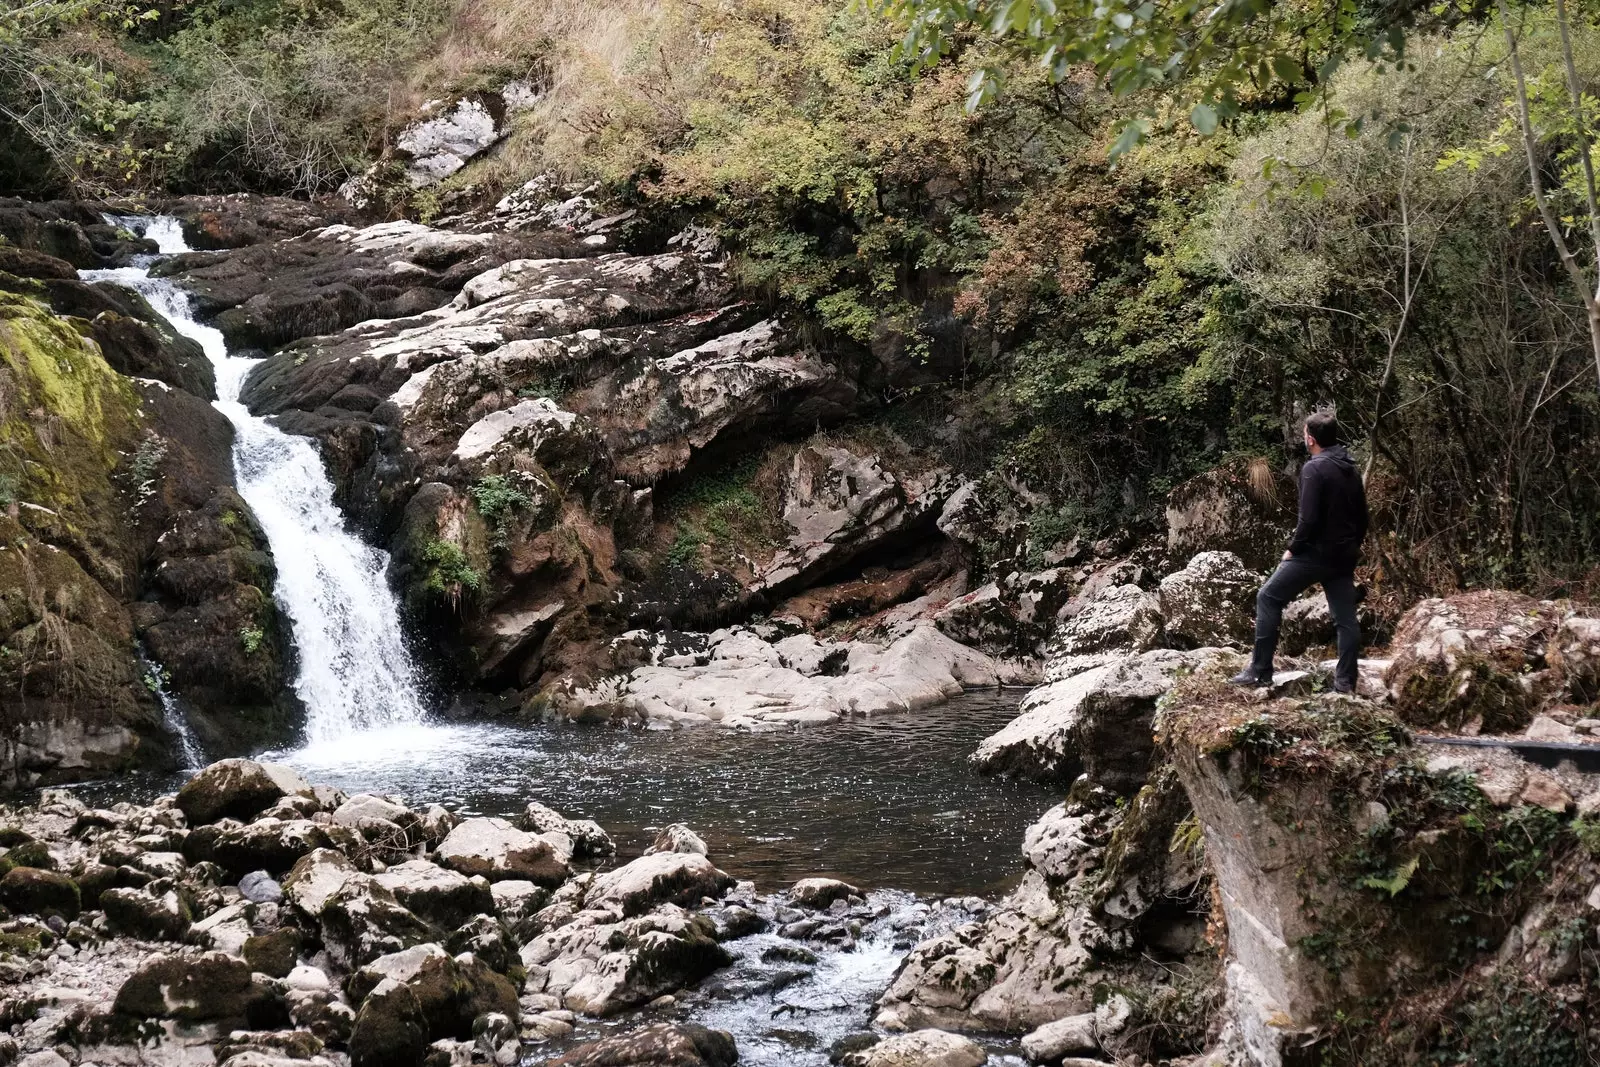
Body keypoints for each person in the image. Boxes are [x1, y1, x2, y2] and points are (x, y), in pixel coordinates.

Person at [1228, 412, 1369, 692]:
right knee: (1345, 619)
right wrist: (1353, 546)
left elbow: (1309, 519)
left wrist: (1293, 549)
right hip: (1344, 556)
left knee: (1268, 597)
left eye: (1305, 433)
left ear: (1311, 438)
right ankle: (1345, 684)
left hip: (1314, 555)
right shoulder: (1350, 468)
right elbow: (1363, 517)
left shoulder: (1313, 469)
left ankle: (1260, 671)